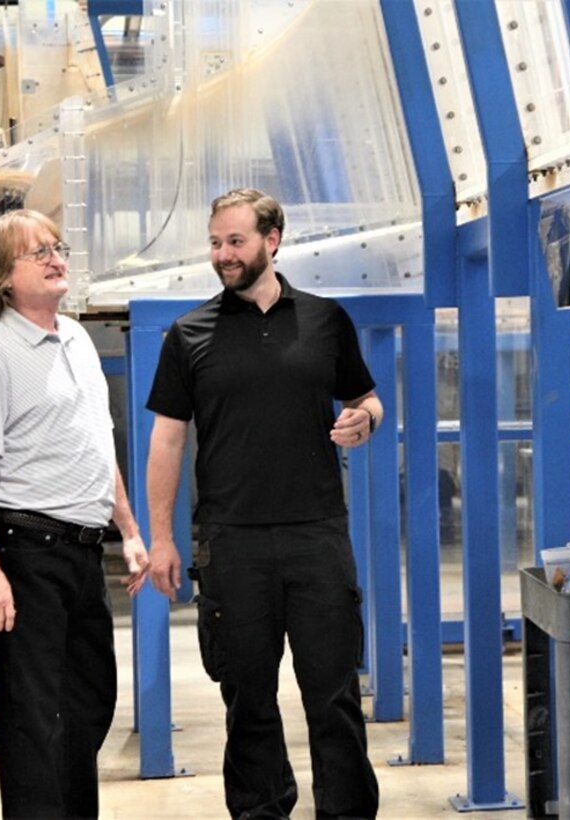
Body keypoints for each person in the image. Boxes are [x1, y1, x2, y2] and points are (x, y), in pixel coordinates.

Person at [146, 188, 382, 820]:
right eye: (216, 243)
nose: (223, 255)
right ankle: (260, 812)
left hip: (316, 535)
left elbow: (367, 399)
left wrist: (363, 420)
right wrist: (162, 537)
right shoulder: (188, 333)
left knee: (332, 695)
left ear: (272, 240)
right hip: (231, 540)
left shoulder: (327, 320)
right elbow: (167, 439)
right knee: (247, 697)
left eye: (236, 241)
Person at [0, 209, 150, 818]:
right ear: (1, 278)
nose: (56, 257)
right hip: (26, 553)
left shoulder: (77, 338)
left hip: (83, 553)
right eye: (38, 253)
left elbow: (96, 443)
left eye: (57, 246)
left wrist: (130, 530)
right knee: (36, 722)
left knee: (88, 705)